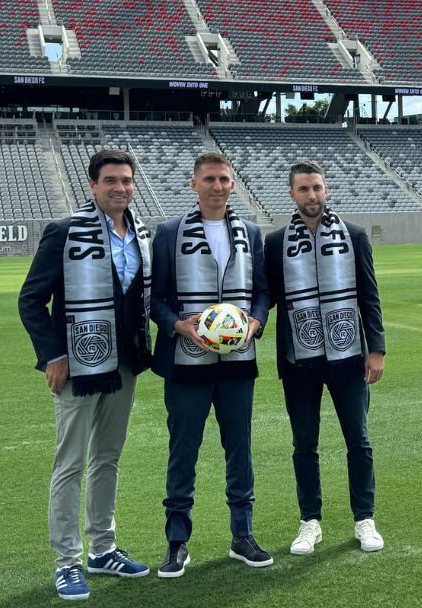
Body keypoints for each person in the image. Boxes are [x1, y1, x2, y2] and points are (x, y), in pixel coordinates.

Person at [19, 148, 153, 600]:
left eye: (127, 181)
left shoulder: (141, 233)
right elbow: (31, 300)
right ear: (93, 185)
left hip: (125, 364)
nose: (121, 188)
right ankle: (67, 561)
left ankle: (103, 547)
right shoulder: (64, 231)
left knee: (107, 460)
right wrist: (53, 355)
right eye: (111, 181)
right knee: (70, 464)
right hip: (78, 364)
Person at [149, 151, 271, 577]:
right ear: (193, 185)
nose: (217, 186)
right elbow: (156, 299)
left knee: (240, 451)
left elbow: (262, 291)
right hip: (187, 364)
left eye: (224, 179)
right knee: (183, 452)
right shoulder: (168, 232)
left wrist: (255, 320)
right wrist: (179, 326)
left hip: (239, 362)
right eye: (209, 180)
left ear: (232, 185)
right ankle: (177, 542)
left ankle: (242, 535)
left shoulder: (251, 232)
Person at [264, 161, 386, 555]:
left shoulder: (353, 235)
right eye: (303, 189)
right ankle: (309, 522)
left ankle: (364, 519)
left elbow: (369, 293)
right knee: (304, 445)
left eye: (317, 187)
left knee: (359, 441)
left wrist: (377, 349)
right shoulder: (276, 241)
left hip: (349, 354)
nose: (311, 195)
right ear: (292, 194)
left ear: (326, 190)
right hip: (300, 358)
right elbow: (269, 297)